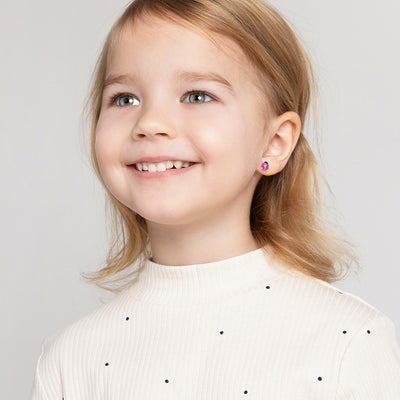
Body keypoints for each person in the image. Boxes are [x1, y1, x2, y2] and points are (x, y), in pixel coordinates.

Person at [30, 0, 400, 398]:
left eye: (197, 96)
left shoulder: (348, 343)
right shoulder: (69, 359)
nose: (150, 123)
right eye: (124, 99)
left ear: (275, 143)